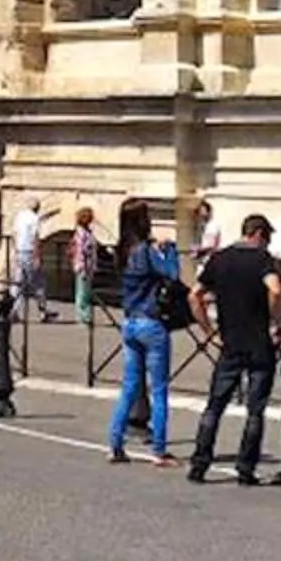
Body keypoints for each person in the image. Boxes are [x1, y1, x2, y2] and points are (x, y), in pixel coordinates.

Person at [186, 212, 281, 485]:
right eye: (267, 239)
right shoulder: (262, 259)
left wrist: (209, 332)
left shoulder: (220, 258)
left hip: (229, 342)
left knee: (214, 407)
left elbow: (194, 295)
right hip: (259, 344)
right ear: (259, 234)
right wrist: (276, 323)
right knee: (255, 410)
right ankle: (245, 469)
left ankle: (199, 464)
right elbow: (275, 290)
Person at [107, 197, 179, 467]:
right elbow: (171, 274)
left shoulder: (122, 251)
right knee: (159, 389)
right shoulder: (145, 251)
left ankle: (115, 444)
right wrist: (169, 249)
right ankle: (159, 450)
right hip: (151, 322)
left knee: (129, 387)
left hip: (129, 322)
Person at [10, 199, 49, 323]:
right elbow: (35, 238)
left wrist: (15, 251)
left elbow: (14, 235)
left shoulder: (19, 216)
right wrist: (37, 256)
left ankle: (13, 310)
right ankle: (42, 311)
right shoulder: (34, 219)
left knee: (18, 283)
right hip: (29, 252)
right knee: (38, 283)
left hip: (19, 251)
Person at [70, 206, 98, 325]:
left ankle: (85, 314)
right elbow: (81, 250)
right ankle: (82, 315)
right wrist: (82, 266)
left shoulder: (87, 232)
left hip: (89, 264)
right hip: (83, 265)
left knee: (86, 291)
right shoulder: (81, 233)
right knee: (82, 291)